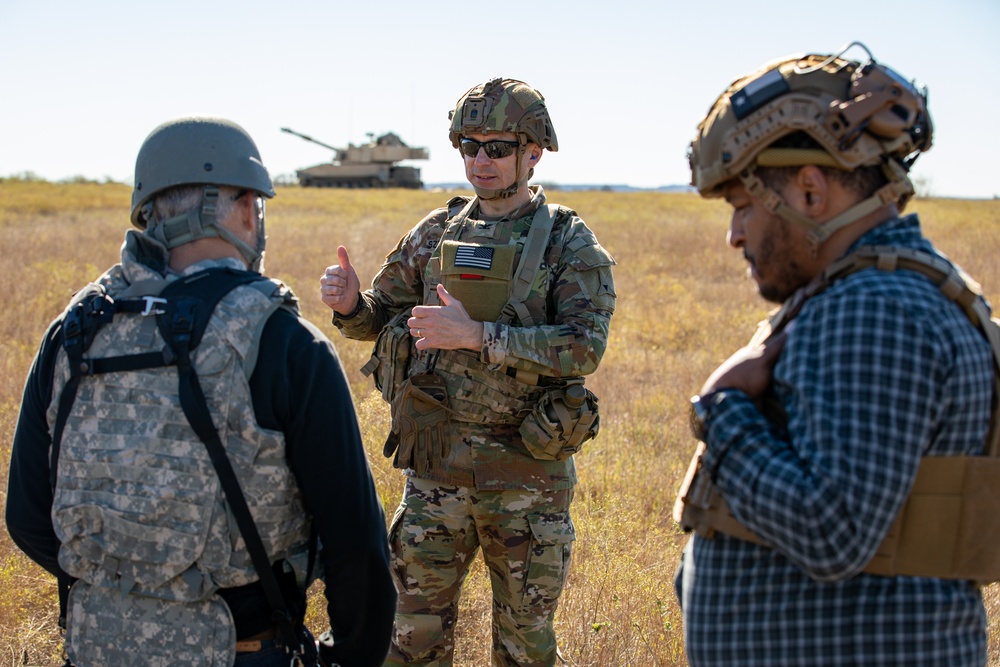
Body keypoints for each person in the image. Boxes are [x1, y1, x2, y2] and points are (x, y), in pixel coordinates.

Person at [5, 116, 396, 667]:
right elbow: (358, 551)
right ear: (239, 207)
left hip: (97, 649)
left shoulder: (75, 331)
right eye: (256, 206)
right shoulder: (284, 342)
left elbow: (26, 517)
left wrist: (137, 608)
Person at [673, 43, 998, 665]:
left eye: (744, 206)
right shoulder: (873, 293)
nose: (734, 234)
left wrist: (721, 410)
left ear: (811, 191)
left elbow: (832, 531)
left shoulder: (872, 309)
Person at [320, 77, 616, 666]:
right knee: (410, 641)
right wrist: (352, 305)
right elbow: (381, 317)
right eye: (470, 145)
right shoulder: (436, 231)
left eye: (498, 147)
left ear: (533, 153)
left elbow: (585, 348)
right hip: (436, 474)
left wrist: (480, 337)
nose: (481, 160)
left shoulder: (569, 242)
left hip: (526, 481)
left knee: (524, 647)